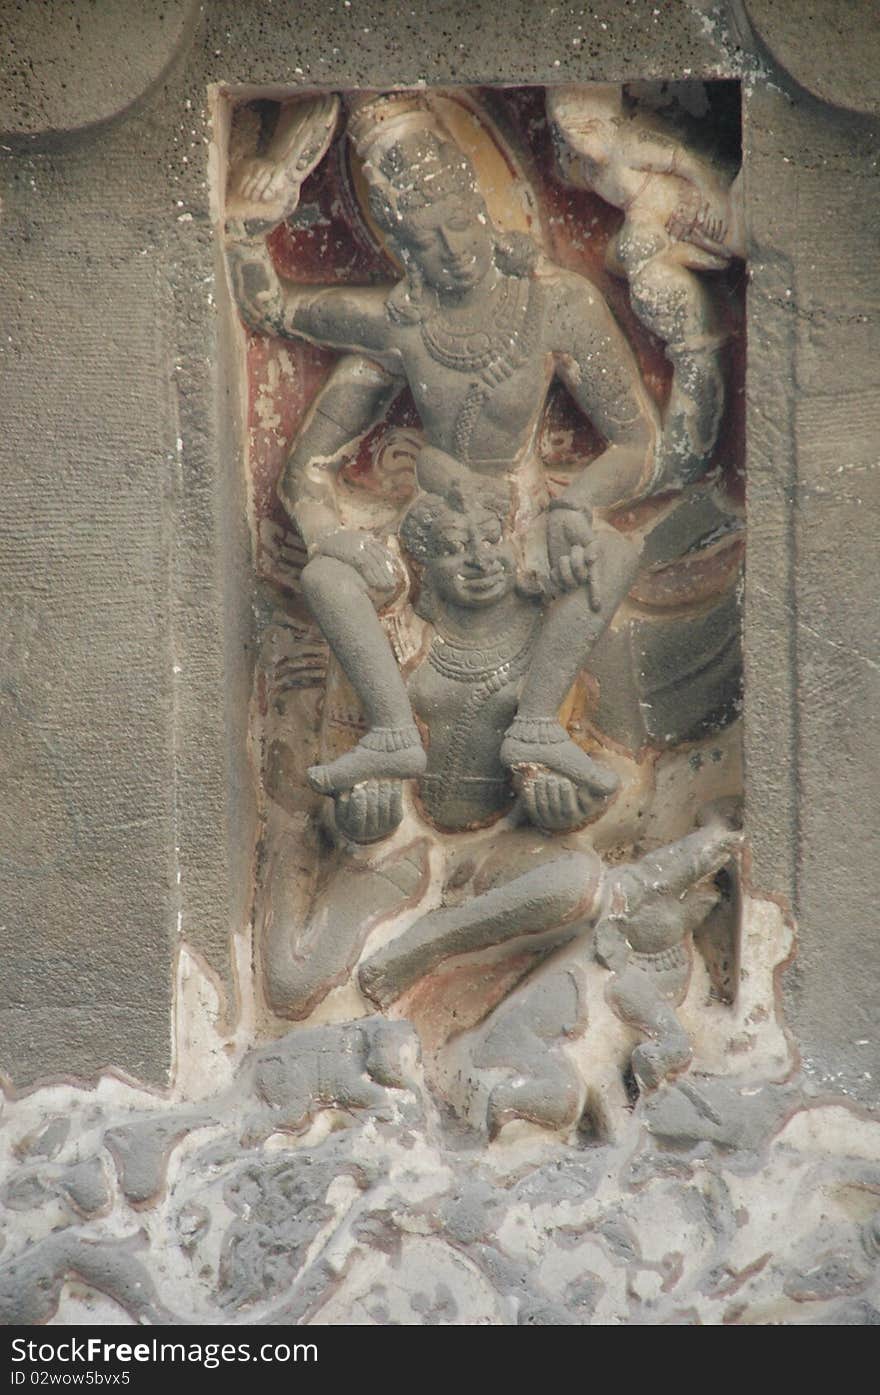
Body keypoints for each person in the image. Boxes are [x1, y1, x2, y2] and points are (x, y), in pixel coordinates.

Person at [226, 91, 658, 799]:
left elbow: (635, 443)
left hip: (520, 524)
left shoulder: (556, 304)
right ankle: (392, 731)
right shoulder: (401, 329)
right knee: (329, 578)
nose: (453, 251)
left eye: (459, 222)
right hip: (427, 533)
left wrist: (574, 506)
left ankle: (540, 721)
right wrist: (249, 230)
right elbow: (273, 311)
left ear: (481, 203)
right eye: (425, 241)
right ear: (400, 247)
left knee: (614, 551)